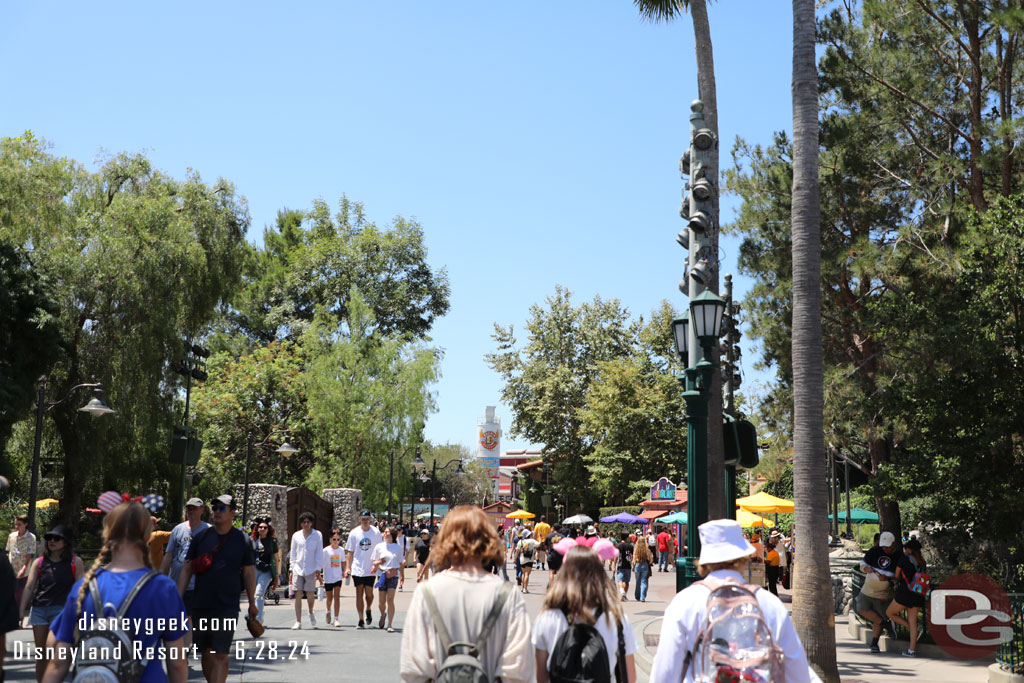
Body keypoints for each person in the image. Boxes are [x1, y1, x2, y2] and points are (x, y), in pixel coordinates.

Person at [650, 518, 821, 683]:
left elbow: (665, 670)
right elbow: (798, 671)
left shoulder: (685, 602)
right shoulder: (768, 603)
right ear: (744, 557)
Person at [43, 501, 188, 683]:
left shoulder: (84, 587)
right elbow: (176, 662)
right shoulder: (163, 588)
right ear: (147, 536)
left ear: (108, 534)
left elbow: (57, 659)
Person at [400, 506, 533, 682]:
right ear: (488, 539)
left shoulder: (427, 592)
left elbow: (413, 670)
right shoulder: (508, 594)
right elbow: (519, 670)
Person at [176, 494, 257, 683]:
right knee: (206, 652)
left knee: (221, 653)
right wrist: (177, 599)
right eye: (215, 508)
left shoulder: (242, 540)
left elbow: (248, 572)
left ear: (232, 512)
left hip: (227, 606)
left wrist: (253, 602)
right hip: (201, 605)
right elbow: (187, 568)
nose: (217, 512)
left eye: (222, 508)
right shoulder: (201, 537)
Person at [533, 545, 638, 683]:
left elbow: (540, 676)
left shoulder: (548, 617)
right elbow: (629, 677)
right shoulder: (617, 619)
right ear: (599, 575)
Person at [21, 525, 84, 682]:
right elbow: (29, 587)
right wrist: (21, 610)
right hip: (39, 610)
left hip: (61, 611)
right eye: (49, 538)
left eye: (56, 538)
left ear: (66, 542)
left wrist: (80, 612)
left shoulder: (75, 562)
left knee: (53, 652)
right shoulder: (39, 562)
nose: (51, 541)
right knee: (41, 655)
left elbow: (80, 589)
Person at [160, 496, 210, 633]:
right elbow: (169, 554)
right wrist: (158, 577)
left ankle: (185, 646)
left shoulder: (209, 531)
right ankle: (183, 644)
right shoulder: (178, 529)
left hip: (196, 583)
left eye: (194, 508)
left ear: (202, 510)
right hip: (175, 581)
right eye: (189, 508)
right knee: (177, 617)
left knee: (188, 616)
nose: (191, 511)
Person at [858, 530, 900, 653]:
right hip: (867, 590)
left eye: (888, 547)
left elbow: (898, 578)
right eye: (883, 547)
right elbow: (863, 563)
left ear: (893, 544)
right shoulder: (874, 551)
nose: (885, 549)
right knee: (861, 608)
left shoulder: (898, 557)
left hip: (884, 594)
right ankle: (884, 624)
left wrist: (886, 579)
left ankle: (874, 643)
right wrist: (865, 568)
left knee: (879, 617)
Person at [886, 538, 927, 657]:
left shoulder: (904, 558)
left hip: (905, 593)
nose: (905, 549)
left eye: (906, 548)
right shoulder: (922, 562)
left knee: (889, 613)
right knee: (913, 622)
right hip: (918, 594)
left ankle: (913, 630)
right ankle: (911, 650)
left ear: (910, 549)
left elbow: (897, 576)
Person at [345, 509, 383, 629]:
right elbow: (350, 552)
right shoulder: (354, 533)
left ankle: (368, 608)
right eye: (363, 518)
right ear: (359, 519)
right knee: (359, 593)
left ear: (370, 519)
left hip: (370, 568)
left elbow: (380, 549)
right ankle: (360, 619)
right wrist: (347, 568)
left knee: (369, 594)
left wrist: (378, 565)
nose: (365, 521)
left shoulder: (376, 533)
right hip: (357, 567)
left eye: (367, 518)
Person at [289, 511, 323, 629]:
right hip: (298, 568)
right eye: (304, 522)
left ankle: (310, 611)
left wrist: (318, 568)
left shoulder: (317, 535)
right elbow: (293, 553)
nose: (306, 524)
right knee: (298, 593)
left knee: (309, 595)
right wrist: (292, 568)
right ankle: (298, 621)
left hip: (311, 569)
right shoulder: (296, 535)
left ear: (311, 523)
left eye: (308, 522)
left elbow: (319, 552)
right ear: (301, 524)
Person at [371, 526, 404, 632]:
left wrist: (401, 574)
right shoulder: (379, 546)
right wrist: (378, 563)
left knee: (390, 598)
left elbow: (401, 562)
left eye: (387, 532)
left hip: (393, 575)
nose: (385, 534)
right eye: (384, 532)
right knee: (381, 602)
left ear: (392, 534)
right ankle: (382, 614)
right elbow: (374, 562)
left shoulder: (398, 548)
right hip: (382, 575)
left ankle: (390, 624)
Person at [251, 519, 280, 625]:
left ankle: (258, 619)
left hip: (266, 571)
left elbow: (277, 559)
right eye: (260, 527)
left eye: (265, 527)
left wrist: (276, 575)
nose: (262, 529)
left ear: (268, 529)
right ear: (257, 529)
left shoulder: (272, 542)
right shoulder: (252, 540)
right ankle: (257, 612)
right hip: (254, 569)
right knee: (254, 594)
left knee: (259, 593)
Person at [7, 514, 37, 609]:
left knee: (19, 594)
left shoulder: (31, 537)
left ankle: (18, 614)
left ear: (25, 524)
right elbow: (8, 551)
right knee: (9, 593)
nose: (17, 527)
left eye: (19, 524)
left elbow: (30, 554)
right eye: (16, 524)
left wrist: (24, 568)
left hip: (22, 570)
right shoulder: (12, 536)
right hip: (11, 569)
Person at [321, 528, 344, 627]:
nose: (336, 541)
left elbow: (343, 562)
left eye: (338, 539)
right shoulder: (325, 551)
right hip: (328, 577)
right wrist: (319, 575)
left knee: (337, 597)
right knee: (329, 598)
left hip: (337, 577)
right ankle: (328, 610)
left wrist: (345, 571)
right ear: (330, 540)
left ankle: (336, 618)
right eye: (334, 539)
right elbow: (321, 564)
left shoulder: (341, 550)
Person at [514, 529, 540, 594]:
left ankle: (523, 588)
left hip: (522, 559)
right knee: (527, 574)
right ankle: (525, 588)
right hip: (529, 559)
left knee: (523, 573)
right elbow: (539, 544)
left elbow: (517, 551)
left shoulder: (520, 541)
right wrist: (539, 537)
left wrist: (515, 559)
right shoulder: (531, 541)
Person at [632, 535, 653, 603]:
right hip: (645, 565)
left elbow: (633, 559)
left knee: (638, 581)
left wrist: (633, 566)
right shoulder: (647, 549)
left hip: (637, 565)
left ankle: (637, 596)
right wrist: (650, 562)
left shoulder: (636, 549)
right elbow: (651, 559)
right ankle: (642, 597)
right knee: (644, 581)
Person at [615, 531, 634, 601]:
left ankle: (622, 592)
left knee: (620, 580)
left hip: (620, 565)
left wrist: (614, 565)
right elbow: (633, 555)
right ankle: (624, 594)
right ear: (626, 537)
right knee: (626, 581)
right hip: (628, 565)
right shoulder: (630, 546)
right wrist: (633, 565)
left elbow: (616, 556)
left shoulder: (618, 545)